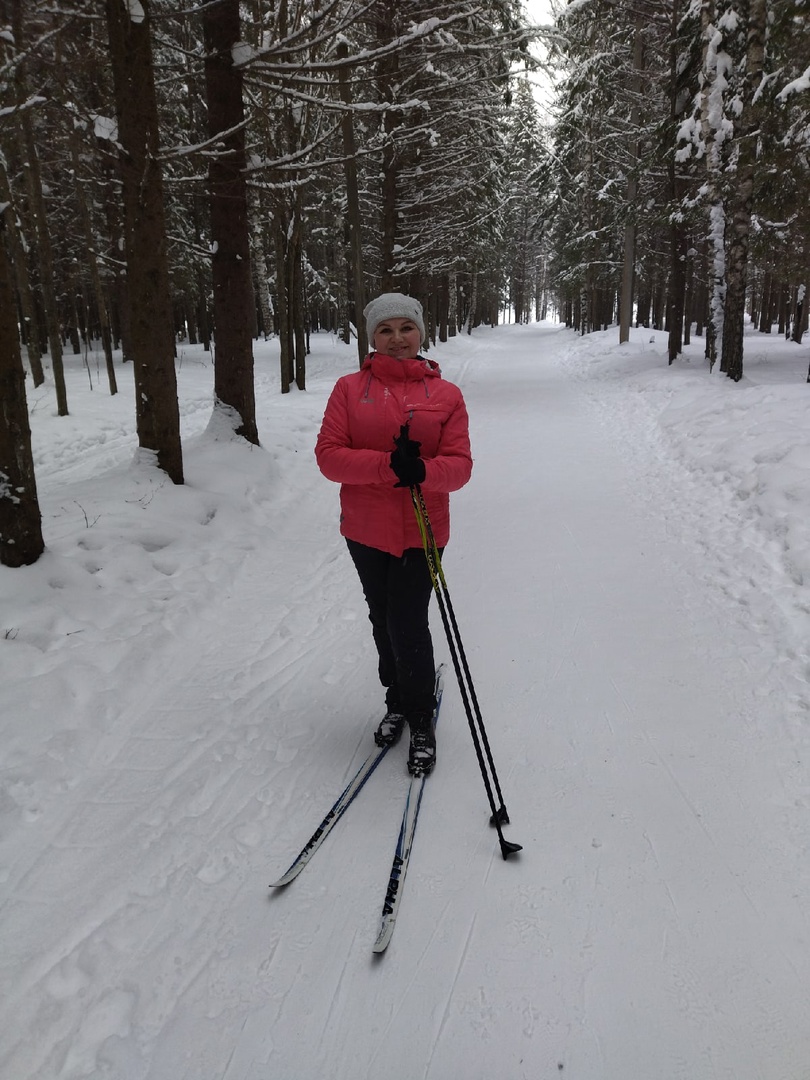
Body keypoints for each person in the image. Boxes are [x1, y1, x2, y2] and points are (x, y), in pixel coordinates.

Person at [315, 293, 472, 775]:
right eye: (386, 330)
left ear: (421, 333)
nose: (397, 338)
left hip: (424, 529)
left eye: (407, 327)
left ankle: (420, 715)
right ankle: (396, 699)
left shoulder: (445, 395)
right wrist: (388, 466)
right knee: (382, 616)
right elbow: (329, 456)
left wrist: (421, 471)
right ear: (372, 338)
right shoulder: (349, 389)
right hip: (364, 529)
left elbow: (460, 468)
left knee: (407, 620)